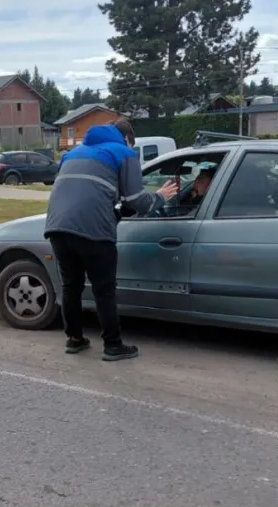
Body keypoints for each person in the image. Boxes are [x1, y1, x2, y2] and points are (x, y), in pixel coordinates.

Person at [44, 119, 179, 361]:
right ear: (128, 138)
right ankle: (113, 345)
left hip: (56, 227)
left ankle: (74, 339)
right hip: (94, 231)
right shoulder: (124, 153)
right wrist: (160, 196)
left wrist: (115, 210)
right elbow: (137, 201)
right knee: (104, 290)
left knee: (70, 286)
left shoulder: (72, 154)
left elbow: (82, 192)